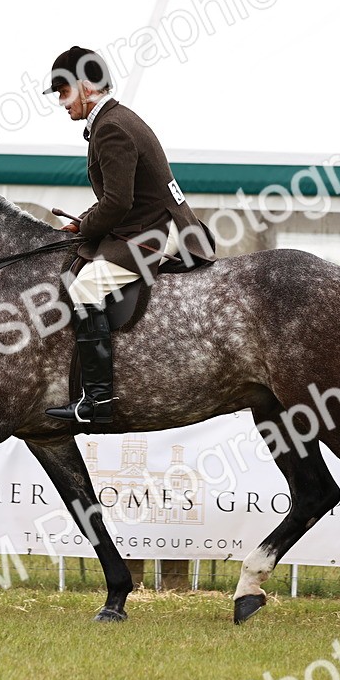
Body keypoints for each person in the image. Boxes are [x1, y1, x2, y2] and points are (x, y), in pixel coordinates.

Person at [41, 45, 215, 424]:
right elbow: (118, 199)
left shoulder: (112, 128)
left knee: (85, 288)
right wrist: (83, 220)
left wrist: (87, 226)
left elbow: (118, 203)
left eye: (63, 91)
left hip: (158, 229)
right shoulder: (113, 120)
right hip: (147, 221)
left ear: (86, 87)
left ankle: (98, 402)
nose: (60, 101)